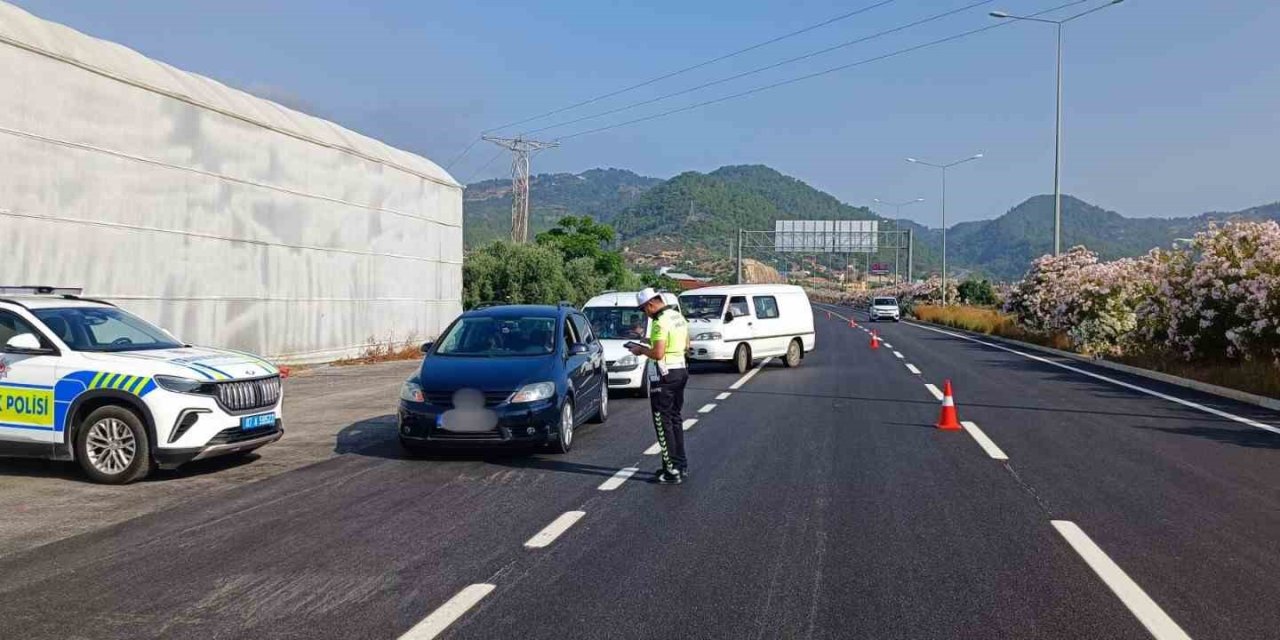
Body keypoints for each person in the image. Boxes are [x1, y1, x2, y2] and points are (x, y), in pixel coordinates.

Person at [628, 289, 689, 485]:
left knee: (662, 423)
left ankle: (671, 470)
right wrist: (647, 340)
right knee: (675, 418)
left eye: (643, 309)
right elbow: (686, 344)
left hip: (665, 375)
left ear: (650, 305)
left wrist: (640, 349)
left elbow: (658, 353)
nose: (644, 313)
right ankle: (680, 464)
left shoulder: (659, 321)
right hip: (680, 370)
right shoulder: (676, 316)